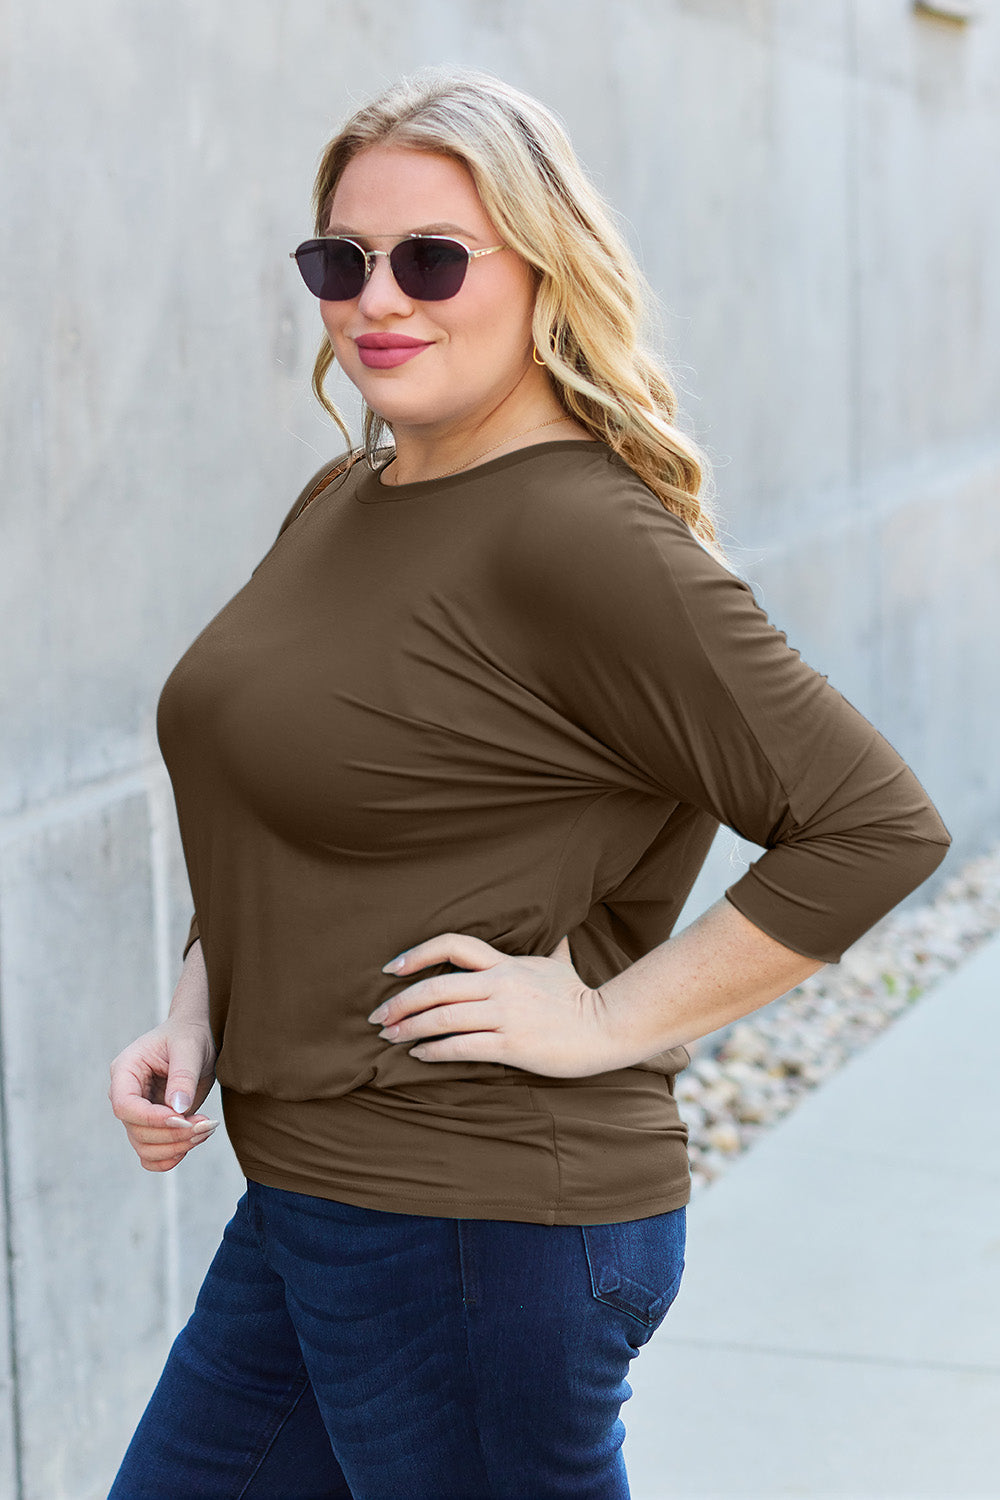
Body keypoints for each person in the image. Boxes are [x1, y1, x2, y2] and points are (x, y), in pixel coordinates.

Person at [107, 66, 951, 1500]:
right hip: (319, 1190)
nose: (380, 299)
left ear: (546, 271)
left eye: (433, 258)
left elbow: (875, 825)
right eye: (341, 260)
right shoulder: (348, 499)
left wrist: (611, 1016)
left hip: (476, 1223)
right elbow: (291, 792)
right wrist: (201, 1002)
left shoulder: (581, 538)